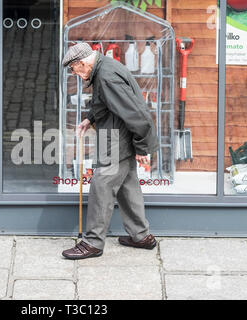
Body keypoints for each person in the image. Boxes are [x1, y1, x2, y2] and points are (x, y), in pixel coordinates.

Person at [61, 42, 159, 260]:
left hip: (117, 138)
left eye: (75, 70)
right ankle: (140, 235)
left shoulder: (106, 77)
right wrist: (90, 118)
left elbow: (136, 113)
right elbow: (106, 101)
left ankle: (93, 243)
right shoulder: (104, 67)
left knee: (101, 184)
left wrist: (142, 145)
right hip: (118, 134)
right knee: (127, 184)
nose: (76, 75)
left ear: (83, 63)